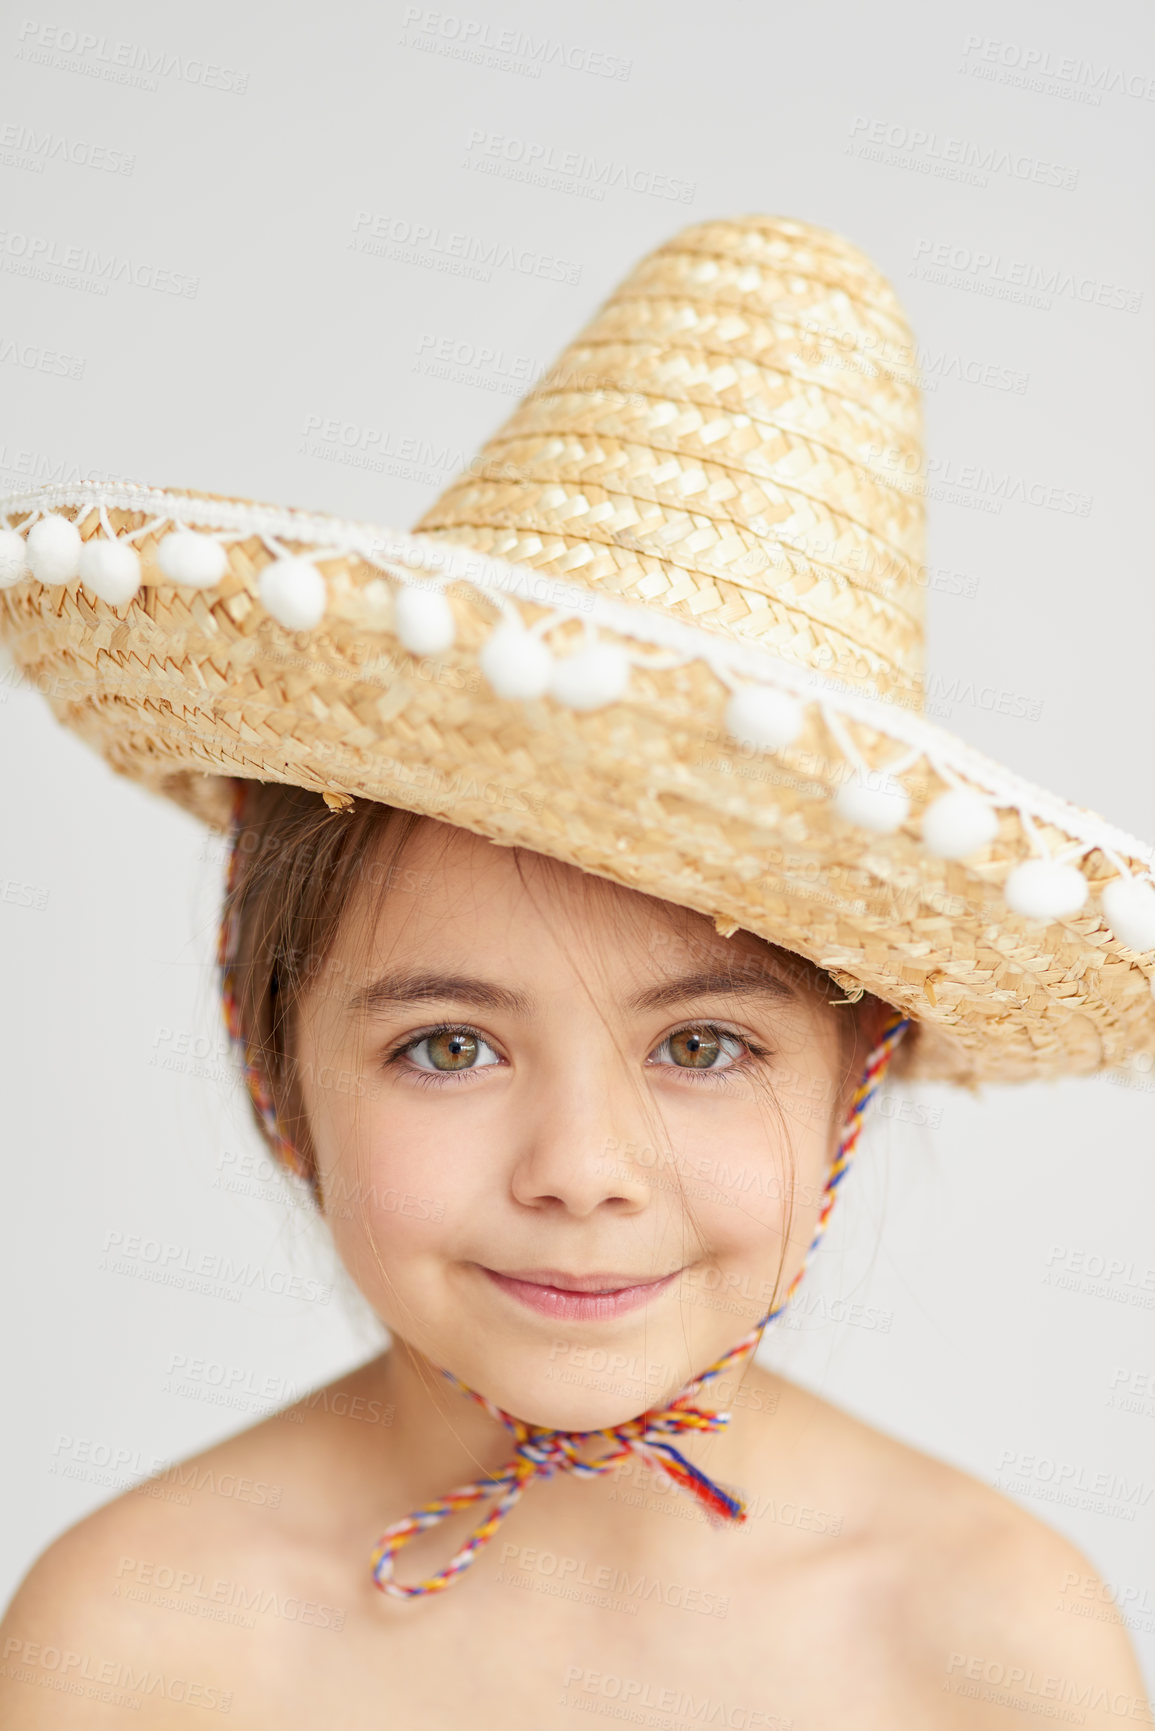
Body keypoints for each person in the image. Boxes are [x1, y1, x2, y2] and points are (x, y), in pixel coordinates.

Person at [1, 213, 1152, 1722]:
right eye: (448, 1047)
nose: (583, 1172)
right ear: (276, 1056)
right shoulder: (129, 1649)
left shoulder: (993, 1649)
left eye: (703, 1048)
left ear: (862, 1065)